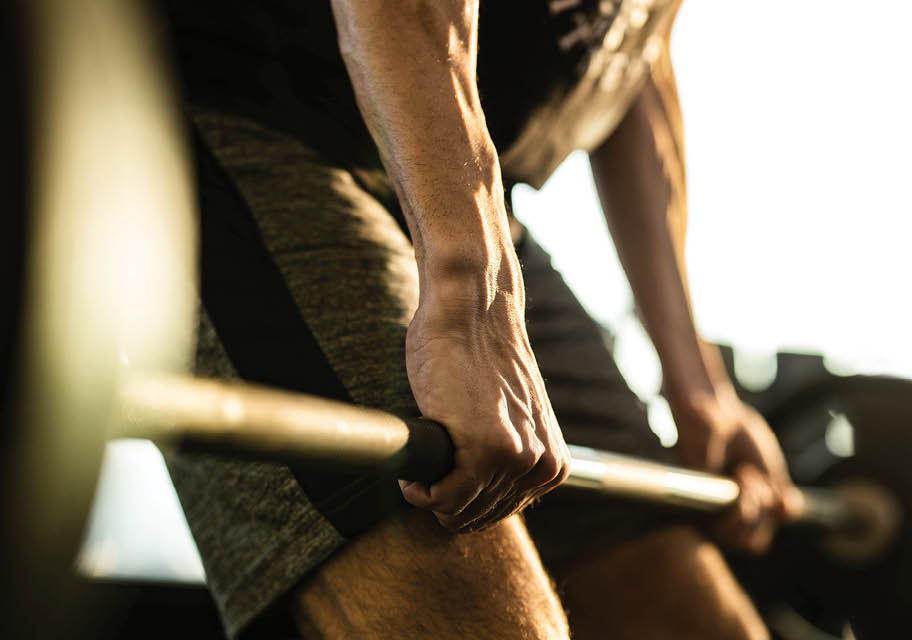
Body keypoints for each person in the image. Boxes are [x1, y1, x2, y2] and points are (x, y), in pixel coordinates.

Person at [161, 1, 802, 637]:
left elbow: (636, 47)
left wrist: (699, 390)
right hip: (253, 115)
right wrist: (469, 293)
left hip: (467, 191)